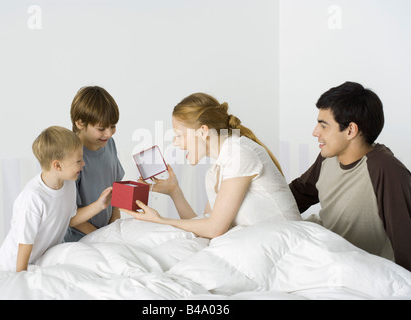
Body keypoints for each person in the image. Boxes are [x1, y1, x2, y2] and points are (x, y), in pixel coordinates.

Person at [121, 93, 301, 238]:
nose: (176, 143)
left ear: (203, 131)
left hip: (284, 242)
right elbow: (204, 226)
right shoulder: (216, 171)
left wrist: (160, 220)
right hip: (262, 243)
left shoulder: (239, 154)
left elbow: (215, 229)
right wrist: (174, 192)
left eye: (179, 135)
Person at [289, 81, 411, 271]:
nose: (315, 132)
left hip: (358, 270)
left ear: (350, 130)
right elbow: (296, 195)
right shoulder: (327, 159)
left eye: (324, 126)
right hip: (322, 255)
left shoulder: (385, 169)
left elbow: (406, 243)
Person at [0, 126, 113, 272]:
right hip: (12, 267)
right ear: (57, 165)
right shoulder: (33, 197)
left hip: (37, 263)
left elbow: (69, 219)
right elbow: (25, 243)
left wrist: (99, 205)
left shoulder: (68, 183)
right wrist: (21, 276)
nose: (83, 164)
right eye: (78, 161)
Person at [64, 86, 125, 242]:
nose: (109, 133)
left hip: (106, 234)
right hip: (78, 238)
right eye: (101, 128)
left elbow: (116, 188)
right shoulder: (69, 156)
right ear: (80, 123)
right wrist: (100, 236)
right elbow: (68, 216)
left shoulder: (109, 143)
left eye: (113, 126)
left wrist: (114, 225)